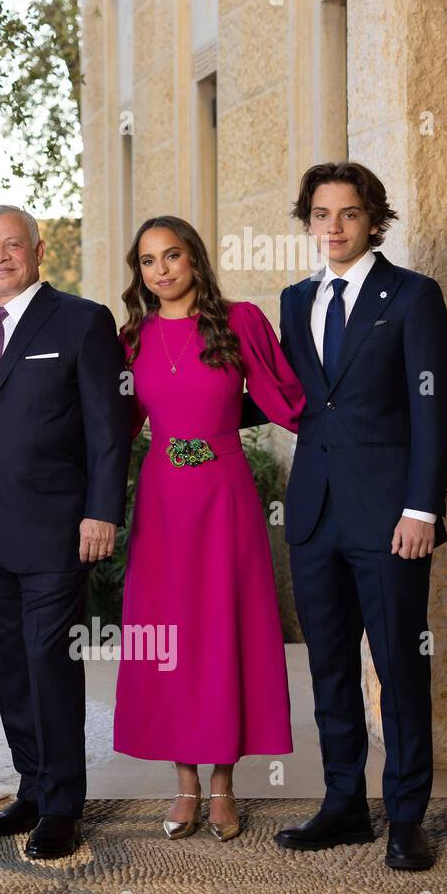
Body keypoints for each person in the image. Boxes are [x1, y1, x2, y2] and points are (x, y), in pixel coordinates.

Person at [274, 162, 447, 872]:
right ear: (309, 221)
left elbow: (430, 411)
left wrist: (421, 508)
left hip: (390, 519)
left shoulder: (412, 296)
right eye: (322, 214)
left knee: (401, 669)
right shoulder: (294, 300)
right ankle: (344, 803)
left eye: (349, 213)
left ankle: (407, 817)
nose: (335, 227)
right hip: (314, 516)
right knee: (329, 670)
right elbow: (295, 397)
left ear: (373, 219)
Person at [114, 216, 304, 841]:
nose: (161, 270)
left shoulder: (239, 321)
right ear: (138, 272)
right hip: (165, 501)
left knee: (226, 631)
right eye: (148, 261)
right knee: (170, 637)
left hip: (224, 496)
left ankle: (223, 787)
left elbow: (286, 399)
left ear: (194, 259)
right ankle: (185, 786)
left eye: (172, 256)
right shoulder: (132, 339)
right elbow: (108, 426)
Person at [0, 204, 129, 860]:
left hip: (59, 529)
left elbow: (108, 428)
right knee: (7, 663)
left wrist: (102, 510)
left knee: (49, 659)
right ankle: (29, 785)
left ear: (38, 248)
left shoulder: (83, 321)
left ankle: (62, 804)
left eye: (12, 245)